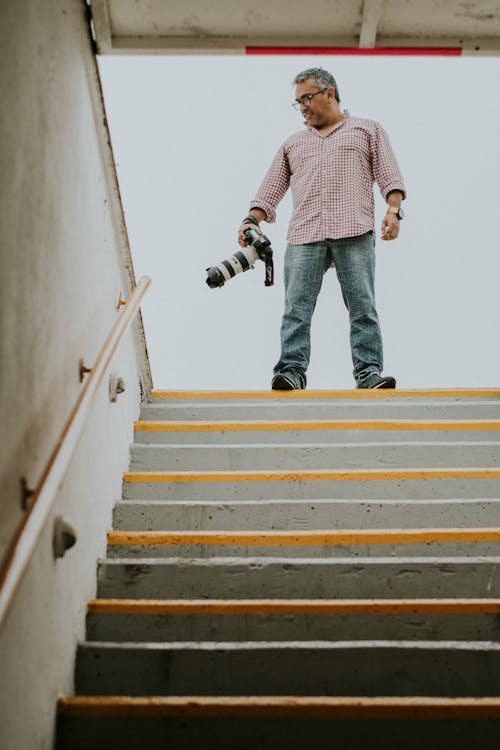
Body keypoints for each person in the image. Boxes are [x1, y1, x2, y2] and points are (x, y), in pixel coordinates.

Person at [238, 67, 406, 390]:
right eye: (297, 102)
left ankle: (369, 372)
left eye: (307, 98)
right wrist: (251, 220)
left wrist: (394, 211)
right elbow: (271, 187)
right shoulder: (294, 143)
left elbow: (389, 173)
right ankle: (291, 371)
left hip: (353, 230)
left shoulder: (366, 130)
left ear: (329, 93)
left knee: (362, 306)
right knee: (295, 309)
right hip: (305, 235)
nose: (302, 107)